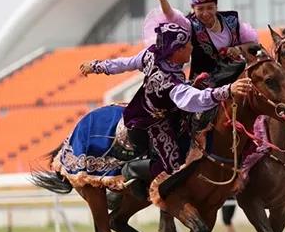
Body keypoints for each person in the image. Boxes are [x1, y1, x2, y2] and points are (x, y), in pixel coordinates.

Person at [79, 22, 252, 178]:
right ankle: (131, 171)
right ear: (177, 50)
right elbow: (193, 99)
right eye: (188, 45)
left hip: (156, 111)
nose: (192, 47)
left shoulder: (153, 53)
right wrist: (228, 89)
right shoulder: (169, 81)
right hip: (151, 122)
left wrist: (97, 66)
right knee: (172, 167)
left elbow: (126, 63)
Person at [152, 0, 259, 80]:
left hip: (239, 76)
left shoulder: (232, 20)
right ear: (193, 8)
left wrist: (237, 49)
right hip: (206, 85)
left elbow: (253, 44)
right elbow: (171, 15)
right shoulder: (190, 24)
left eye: (210, 8)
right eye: (200, 9)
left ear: (216, 6)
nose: (206, 13)